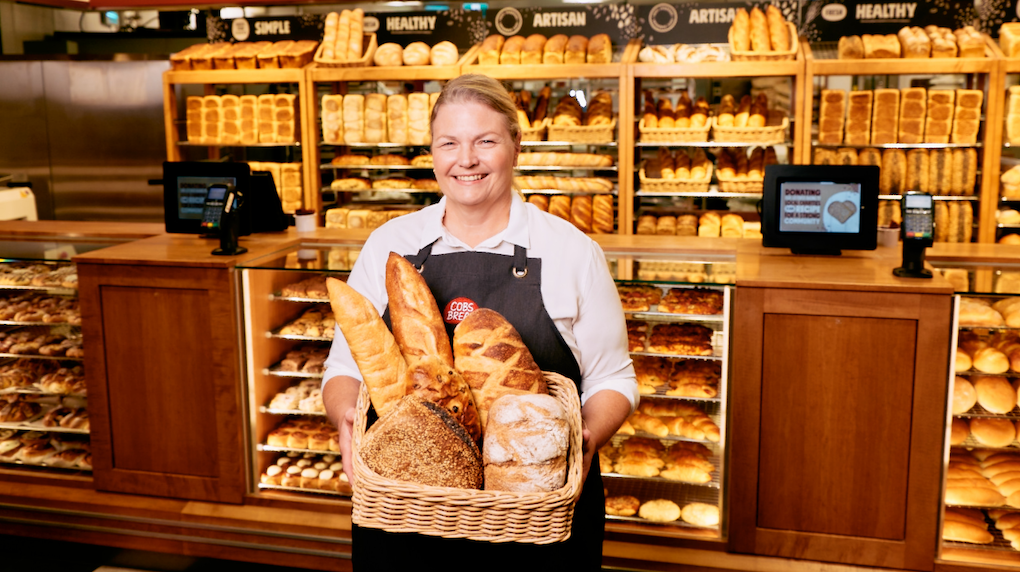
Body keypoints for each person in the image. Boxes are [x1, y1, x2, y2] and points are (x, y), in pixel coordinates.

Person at [321, 73, 637, 570]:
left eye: (485, 141)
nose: (465, 160)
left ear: (515, 145)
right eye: (449, 143)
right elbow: (343, 369)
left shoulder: (571, 251)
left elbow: (613, 379)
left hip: (536, 519)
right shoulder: (388, 244)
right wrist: (345, 422)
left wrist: (579, 444)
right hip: (406, 508)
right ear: (432, 152)